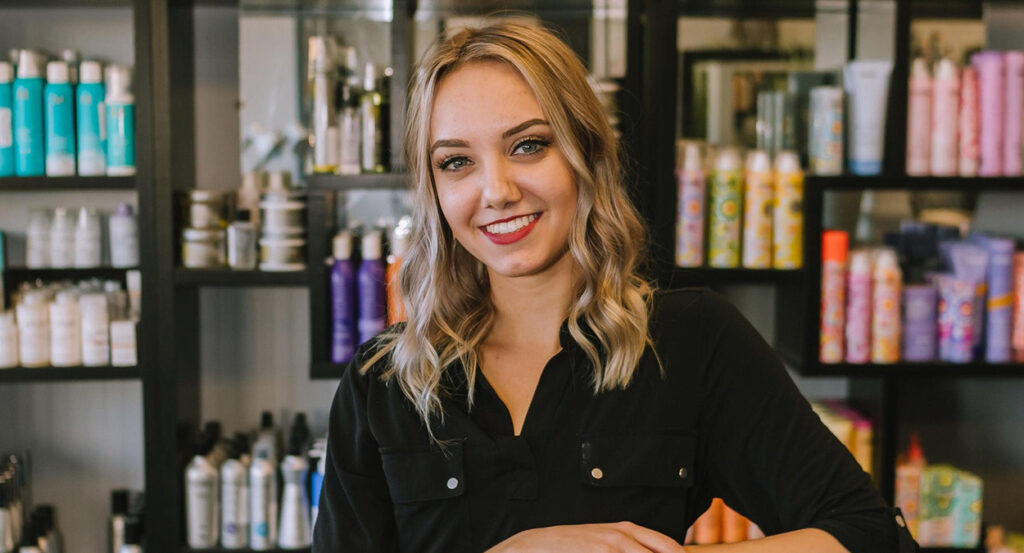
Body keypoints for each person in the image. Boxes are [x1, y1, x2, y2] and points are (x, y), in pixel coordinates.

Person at [313, 20, 917, 553]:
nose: (495, 189)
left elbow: (868, 535)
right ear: (435, 193)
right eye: (456, 162)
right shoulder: (383, 382)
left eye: (529, 145)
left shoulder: (691, 341)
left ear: (586, 154)